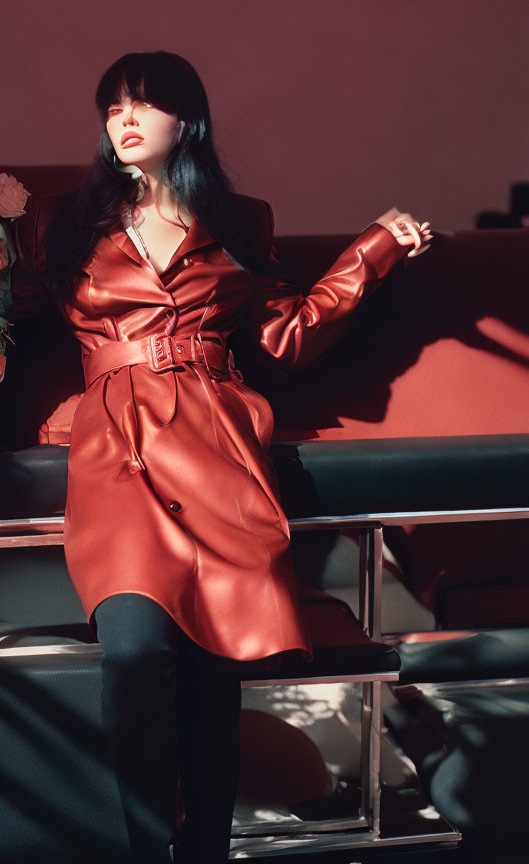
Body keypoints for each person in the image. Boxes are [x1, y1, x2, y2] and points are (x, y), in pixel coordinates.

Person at [41, 51, 432, 864]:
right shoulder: (65, 221)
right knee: (136, 651)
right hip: (118, 445)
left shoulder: (241, 221)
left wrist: (374, 251)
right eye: (113, 105)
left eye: (143, 105)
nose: (124, 119)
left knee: (215, 668)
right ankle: (146, 844)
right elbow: (3, 325)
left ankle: (207, 851)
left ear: (187, 120)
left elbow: (288, 334)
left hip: (216, 445)